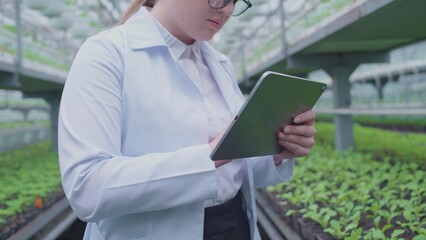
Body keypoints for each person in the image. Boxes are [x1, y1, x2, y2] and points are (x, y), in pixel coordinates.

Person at [57, 0, 317, 239]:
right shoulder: (107, 53)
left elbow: (236, 174)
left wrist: (277, 150)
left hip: (234, 225)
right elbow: (87, 188)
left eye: (236, 1)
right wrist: (211, 154)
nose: (227, 10)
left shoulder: (220, 64)